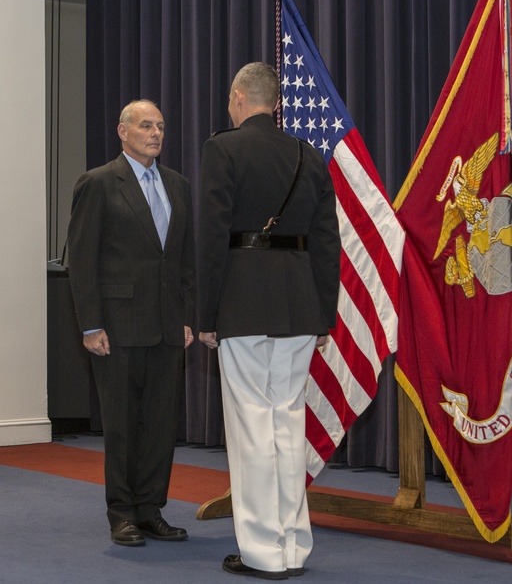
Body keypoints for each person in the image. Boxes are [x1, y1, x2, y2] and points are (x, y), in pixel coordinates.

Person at [197, 63, 340, 579]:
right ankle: (294, 545)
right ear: (275, 102)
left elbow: (212, 239)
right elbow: (328, 242)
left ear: (239, 98)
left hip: (242, 304)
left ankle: (261, 552)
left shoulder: (222, 148)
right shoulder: (307, 154)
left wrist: (206, 314)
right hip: (300, 304)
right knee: (288, 422)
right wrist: (324, 315)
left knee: (252, 426)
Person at [67, 99, 196, 547]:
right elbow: (81, 261)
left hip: (166, 328)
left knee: (160, 425)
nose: (156, 133)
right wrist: (90, 325)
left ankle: (150, 509)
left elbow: (184, 261)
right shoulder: (99, 183)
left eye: (160, 125)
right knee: (122, 425)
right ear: (123, 132)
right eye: (146, 125)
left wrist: (187, 318)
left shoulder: (178, 185)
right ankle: (121, 513)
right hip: (116, 327)